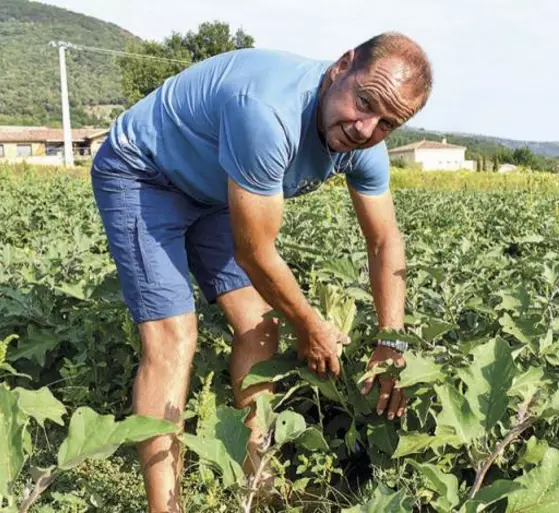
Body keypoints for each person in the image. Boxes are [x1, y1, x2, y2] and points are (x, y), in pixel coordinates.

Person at [89, 31, 433, 512]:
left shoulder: (365, 143)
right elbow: (255, 252)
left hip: (214, 189)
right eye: (364, 101)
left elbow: (384, 240)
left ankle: (257, 478)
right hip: (143, 173)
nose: (364, 127)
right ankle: (164, 506)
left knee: (260, 326)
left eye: (385, 123)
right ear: (342, 66)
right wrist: (311, 326)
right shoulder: (268, 113)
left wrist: (392, 338)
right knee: (173, 337)